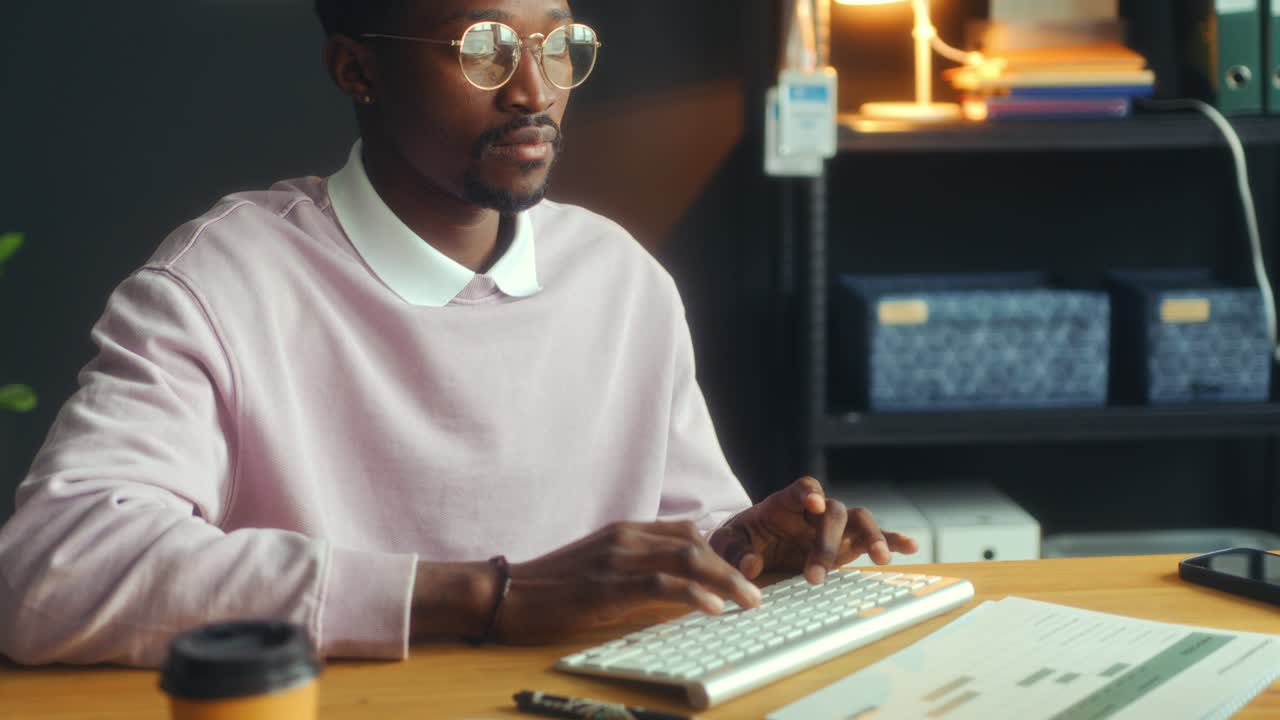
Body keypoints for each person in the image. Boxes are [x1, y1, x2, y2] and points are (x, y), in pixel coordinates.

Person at [0, 0, 917, 668]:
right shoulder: (219, 281)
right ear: (356, 70)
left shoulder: (622, 279)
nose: (534, 90)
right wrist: (488, 598)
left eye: (559, 46)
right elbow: (51, 571)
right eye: (482, 49)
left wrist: (754, 551)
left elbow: (683, 543)